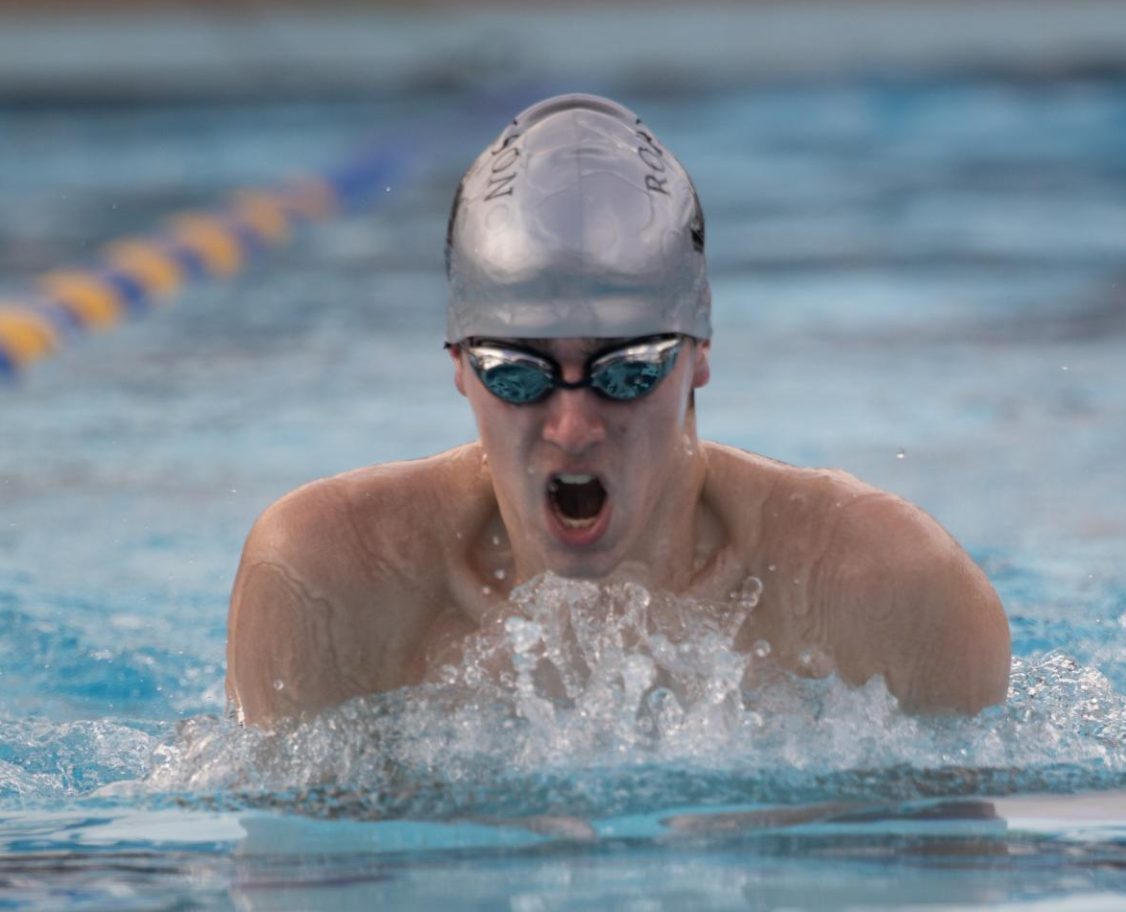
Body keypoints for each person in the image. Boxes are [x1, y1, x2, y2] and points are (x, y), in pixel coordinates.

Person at [226, 93, 1010, 728]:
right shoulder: (331, 583)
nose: (572, 427)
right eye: (519, 374)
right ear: (460, 367)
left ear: (699, 352)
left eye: (628, 371)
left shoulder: (891, 593)